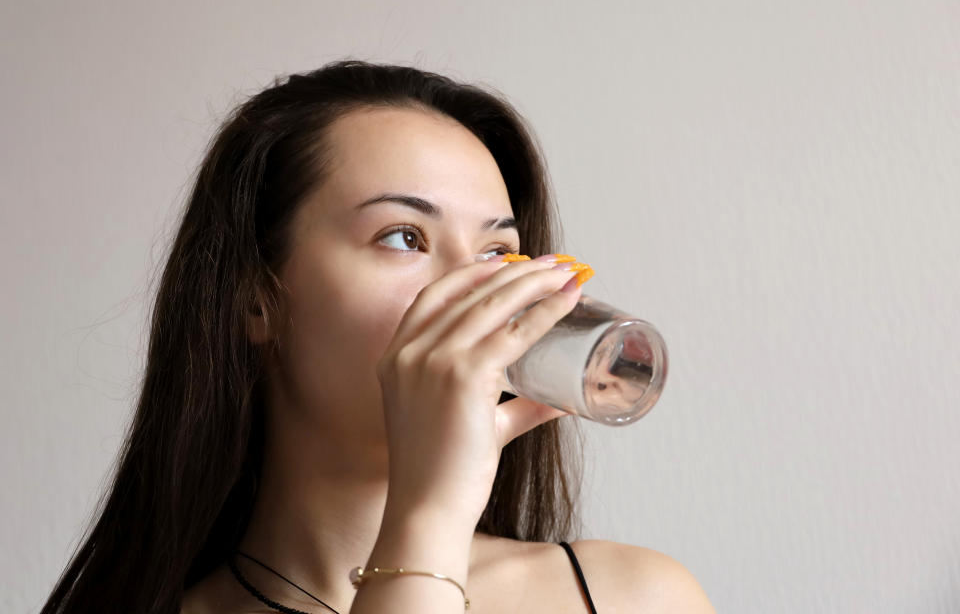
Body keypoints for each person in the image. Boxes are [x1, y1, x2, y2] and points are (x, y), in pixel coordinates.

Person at [41, 60, 714, 613]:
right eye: (404, 237)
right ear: (255, 300)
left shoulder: (633, 597)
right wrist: (428, 517)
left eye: (496, 254)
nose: (474, 293)